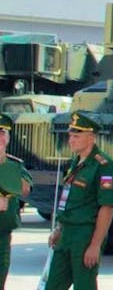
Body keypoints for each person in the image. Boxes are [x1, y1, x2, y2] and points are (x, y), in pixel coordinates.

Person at [45, 112, 113, 290]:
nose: (71, 140)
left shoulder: (104, 166)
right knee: (52, 285)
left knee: (84, 286)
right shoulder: (76, 162)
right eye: (70, 135)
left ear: (91, 137)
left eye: (76, 136)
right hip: (66, 233)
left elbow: (107, 207)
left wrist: (95, 245)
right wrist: (59, 228)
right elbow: (69, 199)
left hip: (85, 235)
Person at [0, 113, 32, 289]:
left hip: (2, 234)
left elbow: (25, 189)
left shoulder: (15, 164)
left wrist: (3, 164)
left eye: (3, 132)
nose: (0, 137)